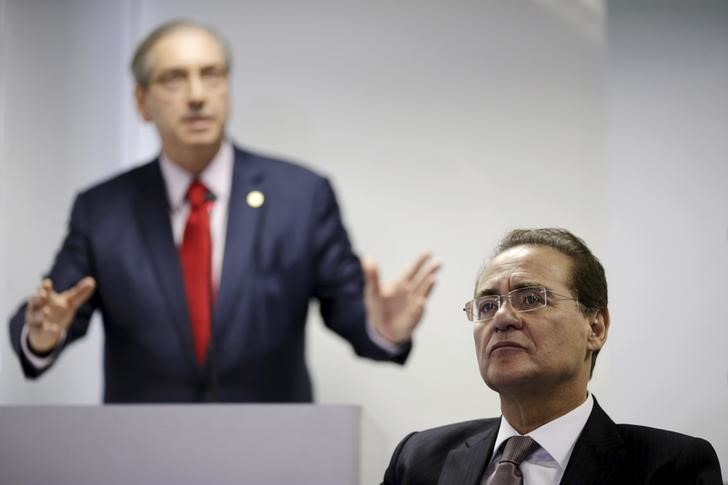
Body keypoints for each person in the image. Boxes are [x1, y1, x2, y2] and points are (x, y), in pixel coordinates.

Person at [8, 20, 440, 403]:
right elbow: (55, 310)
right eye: (175, 79)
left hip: (269, 451)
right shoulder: (103, 209)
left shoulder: (301, 197)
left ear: (227, 88)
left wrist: (385, 328)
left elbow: (351, 312)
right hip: (143, 454)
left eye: (211, 75)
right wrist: (42, 335)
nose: (197, 95)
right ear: (142, 101)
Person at [382, 228, 722, 484]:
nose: (501, 318)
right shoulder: (418, 460)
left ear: (596, 327)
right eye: (487, 305)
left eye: (530, 299)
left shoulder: (671, 467)